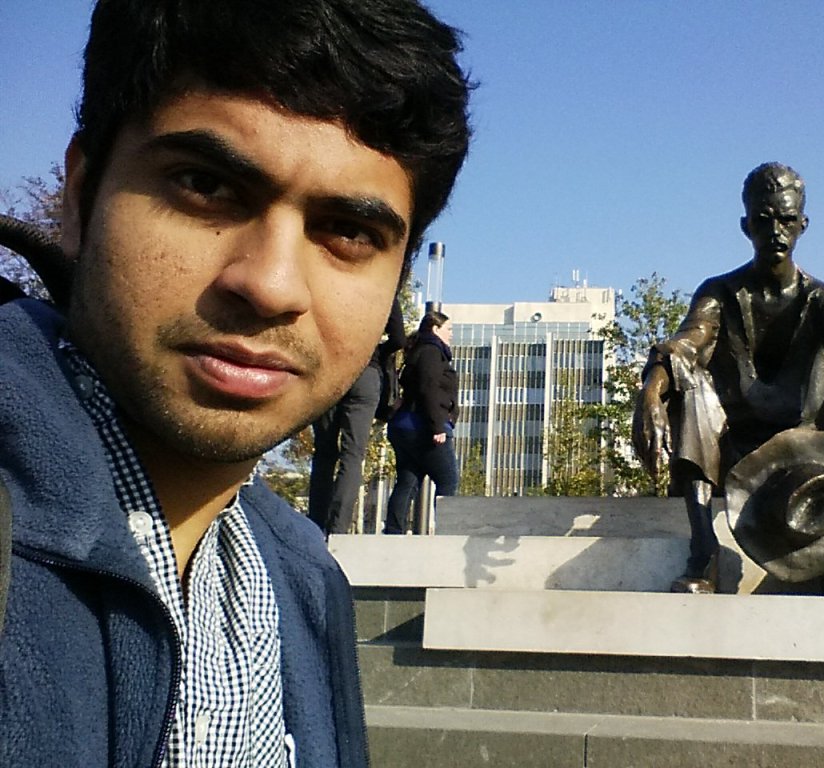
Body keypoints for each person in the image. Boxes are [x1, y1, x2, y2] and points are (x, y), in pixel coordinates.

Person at [0, 0, 471, 765]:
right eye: (205, 186)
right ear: (81, 197)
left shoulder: (304, 575)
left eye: (349, 232)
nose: (273, 284)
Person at [633, 163, 824, 597]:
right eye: (764, 220)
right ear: (746, 225)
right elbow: (687, 343)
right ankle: (704, 549)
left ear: (803, 225)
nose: (776, 231)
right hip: (733, 442)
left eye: (787, 220)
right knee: (690, 382)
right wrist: (651, 391)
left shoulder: (822, 297)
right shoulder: (719, 292)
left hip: (805, 446)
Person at [309, 298, 406, 535]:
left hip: (329, 370)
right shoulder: (383, 291)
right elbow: (399, 339)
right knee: (353, 455)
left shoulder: (330, 283)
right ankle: (337, 528)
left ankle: (314, 525)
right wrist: (378, 352)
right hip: (365, 373)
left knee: (324, 453)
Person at [384, 311, 460, 534]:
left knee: (408, 480)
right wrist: (437, 426)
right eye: (449, 329)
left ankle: (393, 531)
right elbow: (430, 389)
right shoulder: (431, 352)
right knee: (448, 479)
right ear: (436, 330)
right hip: (423, 427)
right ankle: (447, 531)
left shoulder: (418, 352)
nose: (451, 334)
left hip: (404, 426)